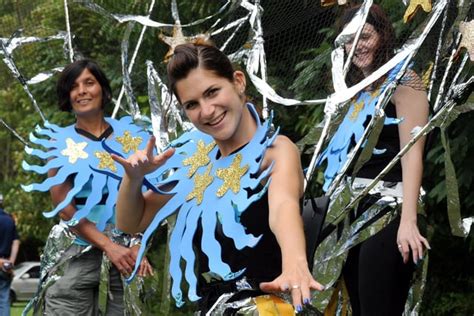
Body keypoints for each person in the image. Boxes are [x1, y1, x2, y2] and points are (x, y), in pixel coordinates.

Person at [113, 40, 324, 313]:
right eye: (192, 104)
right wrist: (133, 178)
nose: (207, 111)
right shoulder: (196, 158)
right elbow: (131, 222)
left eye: (212, 92)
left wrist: (295, 264)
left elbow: (283, 207)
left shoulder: (275, 151)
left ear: (238, 82)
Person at [321, 4, 431, 315]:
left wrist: (408, 220)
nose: (356, 47)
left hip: (391, 207)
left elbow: (412, 153)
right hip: (350, 210)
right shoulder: (353, 91)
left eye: (365, 37)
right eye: (348, 41)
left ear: (383, 35)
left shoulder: (404, 81)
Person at [25, 59, 152, 315]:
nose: (82, 90)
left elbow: (149, 195)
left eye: (89, 83)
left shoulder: (133, 137)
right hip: (74, 251)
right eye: (74, 86)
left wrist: (139, 243)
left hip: (127, 250)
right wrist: (108, 245)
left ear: (103, 90)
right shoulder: (58, 142)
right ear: (67, 97)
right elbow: (64, 207)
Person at [0, 194, 20, 316]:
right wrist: (10, 263)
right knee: (3, 300)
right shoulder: (9, 220)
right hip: (5, 266)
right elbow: (16, 242)